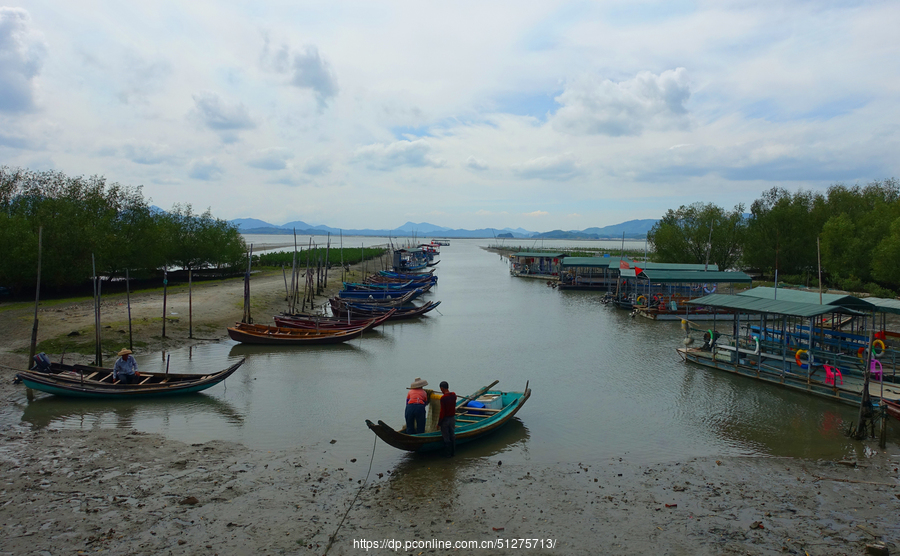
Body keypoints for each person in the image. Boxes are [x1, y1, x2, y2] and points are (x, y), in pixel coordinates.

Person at [438, 381, 457, 457]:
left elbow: (442, 412)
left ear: (442, 388)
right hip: (452, 419)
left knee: (446, 438)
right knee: (452, 435)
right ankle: (453, 453)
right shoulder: (454, 395)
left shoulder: (443, 398)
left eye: (441, 389)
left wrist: (439, 423)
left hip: (445, 420)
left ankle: (448, 454)